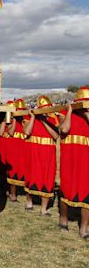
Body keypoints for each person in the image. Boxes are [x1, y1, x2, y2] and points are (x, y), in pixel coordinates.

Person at [58, 86, 89, 239]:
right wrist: (70, 111)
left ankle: (84, 228)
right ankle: (63, 218)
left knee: (87, 191)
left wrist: (86, 115)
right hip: (70, 158)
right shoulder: (65, 113)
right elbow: (64, 129)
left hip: (86, 160)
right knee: (67, 187)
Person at [22, 96, 59, 215]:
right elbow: (27, 132)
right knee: (31, 175)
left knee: (47, 178)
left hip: (48, 153)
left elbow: (55, 136)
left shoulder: (53, 120)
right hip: (34, 151)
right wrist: (33, 117)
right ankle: (29, 202)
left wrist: (44, 121)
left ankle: (43, 209)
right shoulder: (29, 119)